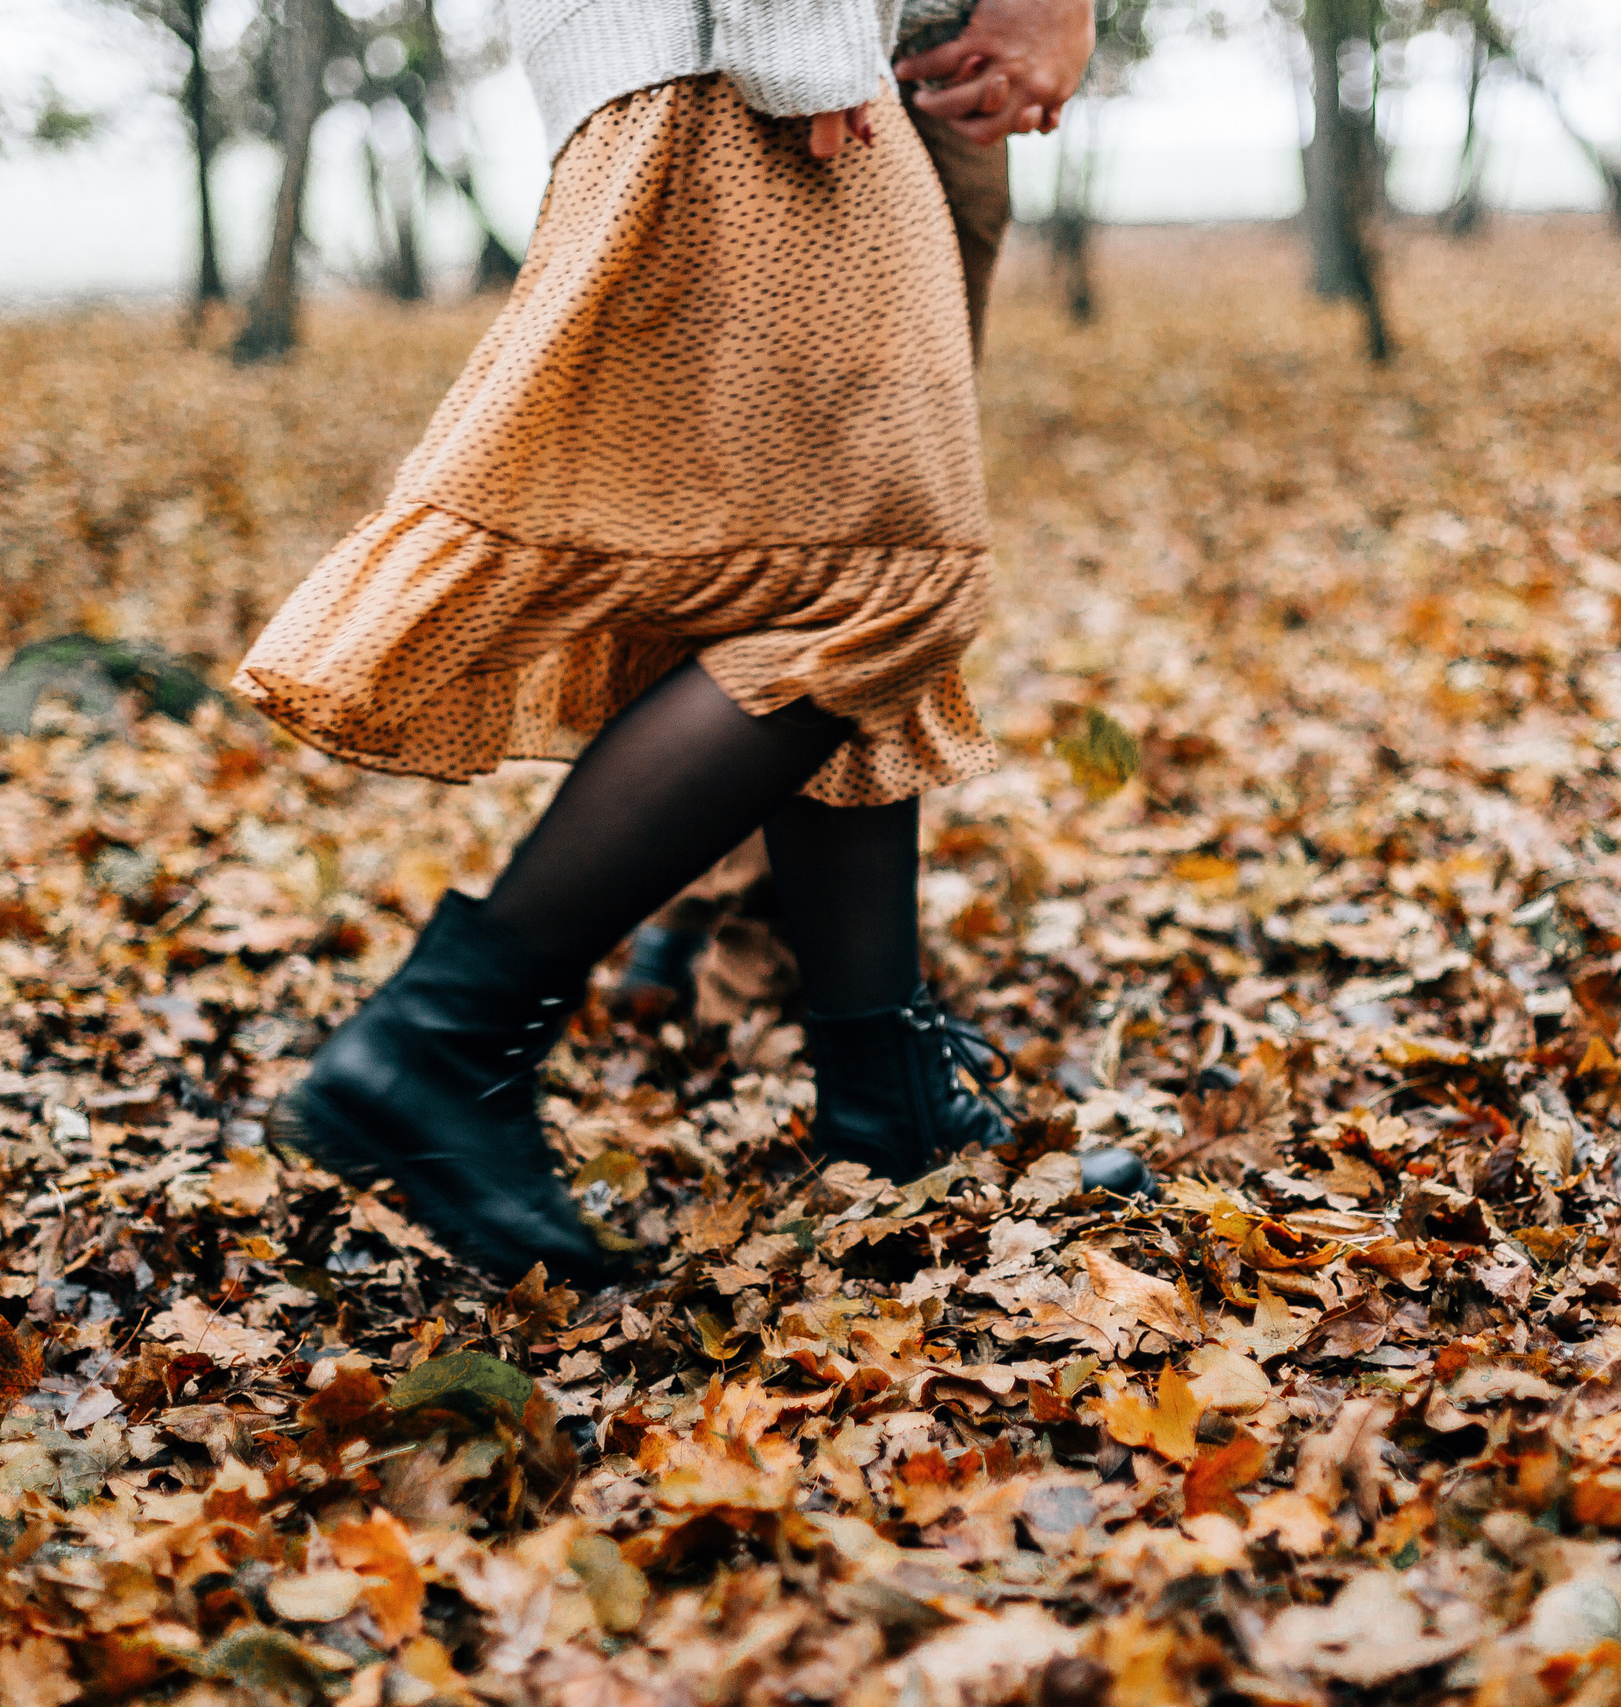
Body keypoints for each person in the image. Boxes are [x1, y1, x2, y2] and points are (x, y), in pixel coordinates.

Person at [233, 0, 1095, 1286]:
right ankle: (441, 1044)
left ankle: (888, 1106)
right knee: (873, 595)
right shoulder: (791, 62)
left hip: (759, 75)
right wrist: (800, 35)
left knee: (822, 582)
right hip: (759, 83)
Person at [617, 0, 1098, 1015]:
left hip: (905, 59)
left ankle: (716, 916)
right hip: (798, 63)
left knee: (840, 547)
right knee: (843, 558)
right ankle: (762, 957)